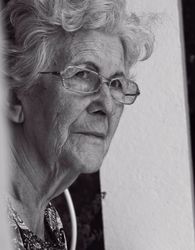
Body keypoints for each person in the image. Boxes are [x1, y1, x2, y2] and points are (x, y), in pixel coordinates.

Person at [1, 0, 154, 249]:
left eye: (116, 83)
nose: (106, 104)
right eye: (82, 74)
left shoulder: (47, 220)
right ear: (13, 96)